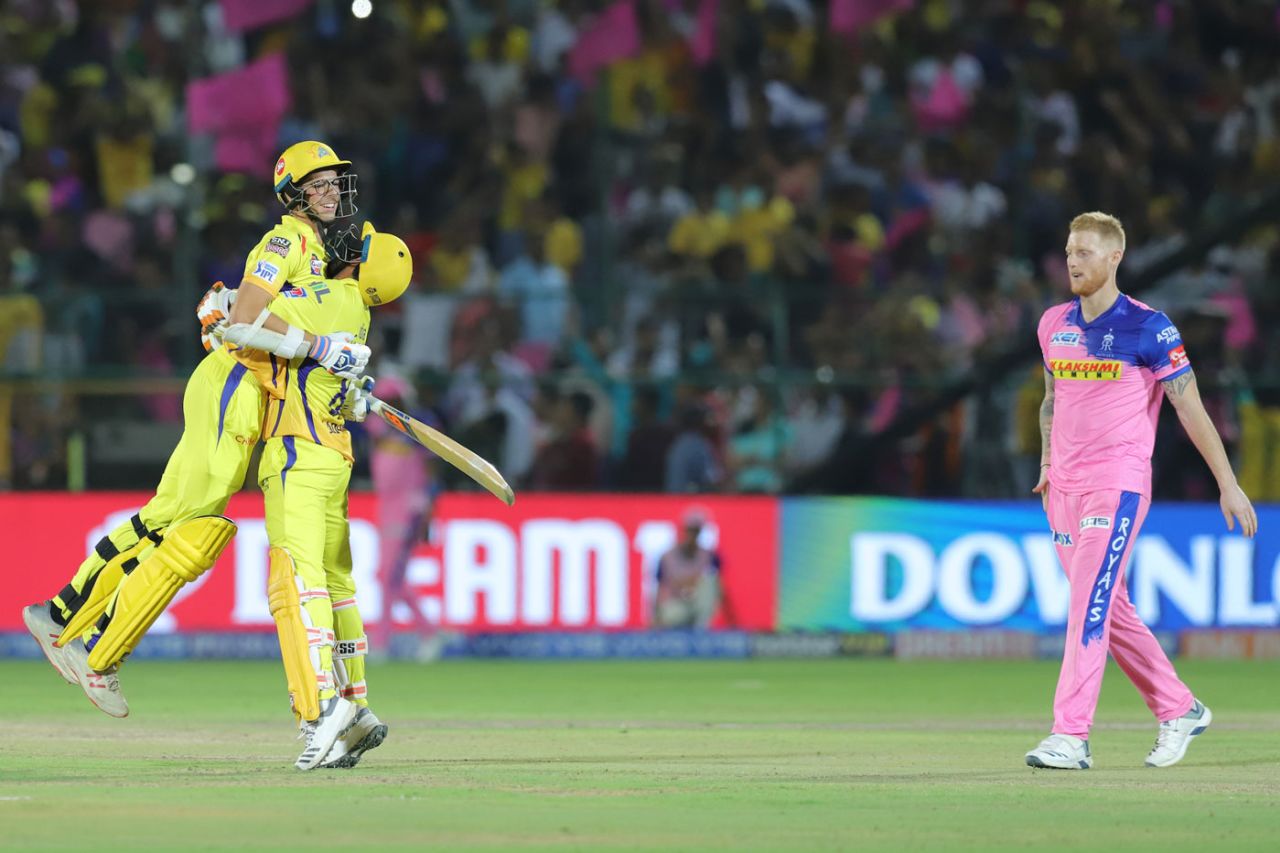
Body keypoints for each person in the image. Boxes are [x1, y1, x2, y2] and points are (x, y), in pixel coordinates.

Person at [20, 141, 371, 718]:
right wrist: (317, 345)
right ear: (294, 194)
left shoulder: (316, 251)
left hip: (249, 395)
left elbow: (248, 312)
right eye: (321, 183)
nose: (333, 191)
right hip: (231, 384)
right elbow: (245, 314)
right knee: (185, 516)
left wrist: (334, 374)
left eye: (336, 181)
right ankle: (65, 617)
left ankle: (76, 624)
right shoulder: (285, 241)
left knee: (186, 521)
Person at [1025, 212, 1258, 771]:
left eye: (1083, 251)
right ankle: (1180, 708)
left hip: (1118, 485)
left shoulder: (1150, 329)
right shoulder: (1053, 323)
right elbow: (1052, 398)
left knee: (1087, 605)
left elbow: (1190, 407)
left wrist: (1228, 484)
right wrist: (1047, 459)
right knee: (1110, 607)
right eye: (1068, 250)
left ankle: (1070, 735)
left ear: (1113, 259)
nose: (1072, 261)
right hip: (1064, 488)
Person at [256, 222, 412, 770]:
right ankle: (356, 706)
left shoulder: (329, 295)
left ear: (361, 265)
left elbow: (248, 317)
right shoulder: (360, 312)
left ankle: (323, 712)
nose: (347, 241)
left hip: (297, 450)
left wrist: (219, 305)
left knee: (299, 583)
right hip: (335, 458)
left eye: (358, 245)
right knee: (338, 586)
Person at [651, 507, 725, 628]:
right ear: (683, 530)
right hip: (677, 604)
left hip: (699, 605)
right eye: (690, 530)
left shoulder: (710, 556)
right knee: (669, 615)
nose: (692, 535)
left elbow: (718, 586)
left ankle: (701, 630)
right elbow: (659, 587)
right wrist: (655, 615)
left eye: (696, 531)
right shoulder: (667, 557)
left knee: (710, 581)